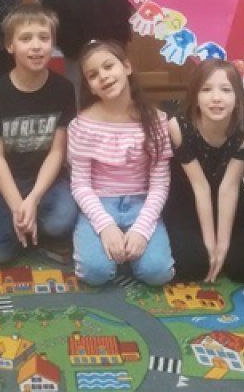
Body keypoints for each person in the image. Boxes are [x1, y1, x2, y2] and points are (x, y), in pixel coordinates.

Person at [0, 4, 79, 264]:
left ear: (52, 43)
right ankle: (26, 227)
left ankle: (34, 227)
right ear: (10, 46)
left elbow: (57, 151)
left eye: (44, 38)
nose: (36, 46)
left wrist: (32, 199)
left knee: (60, 221)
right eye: (25, 39)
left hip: (48, 181)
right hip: (5, 183)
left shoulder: (64, 89)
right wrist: (16, 206)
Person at [68, 40, 174, 286]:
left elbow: (160, 184)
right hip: (99, 203)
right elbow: (80, 184)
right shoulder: (82, 125)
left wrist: (141, 229)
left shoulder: (156, 120)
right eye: (93, 75)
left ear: (127, 67)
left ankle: (127, 250)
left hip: (142, 203)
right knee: (94, 273)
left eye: (108, 66)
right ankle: (109, 246)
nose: (103, 77)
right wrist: (105, 226)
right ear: (90, 87)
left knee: (158, 273)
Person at [163, 59, 244, 283]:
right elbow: (200, 187)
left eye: (226, 90)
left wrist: (222, 246)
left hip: (229, 197)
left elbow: (229, 186)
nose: (216, 98)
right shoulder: (179, 126)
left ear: (237, 97)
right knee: (193, 264)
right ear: (195, 96)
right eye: (206, 89)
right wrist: (210, 245)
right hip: (189, 199)